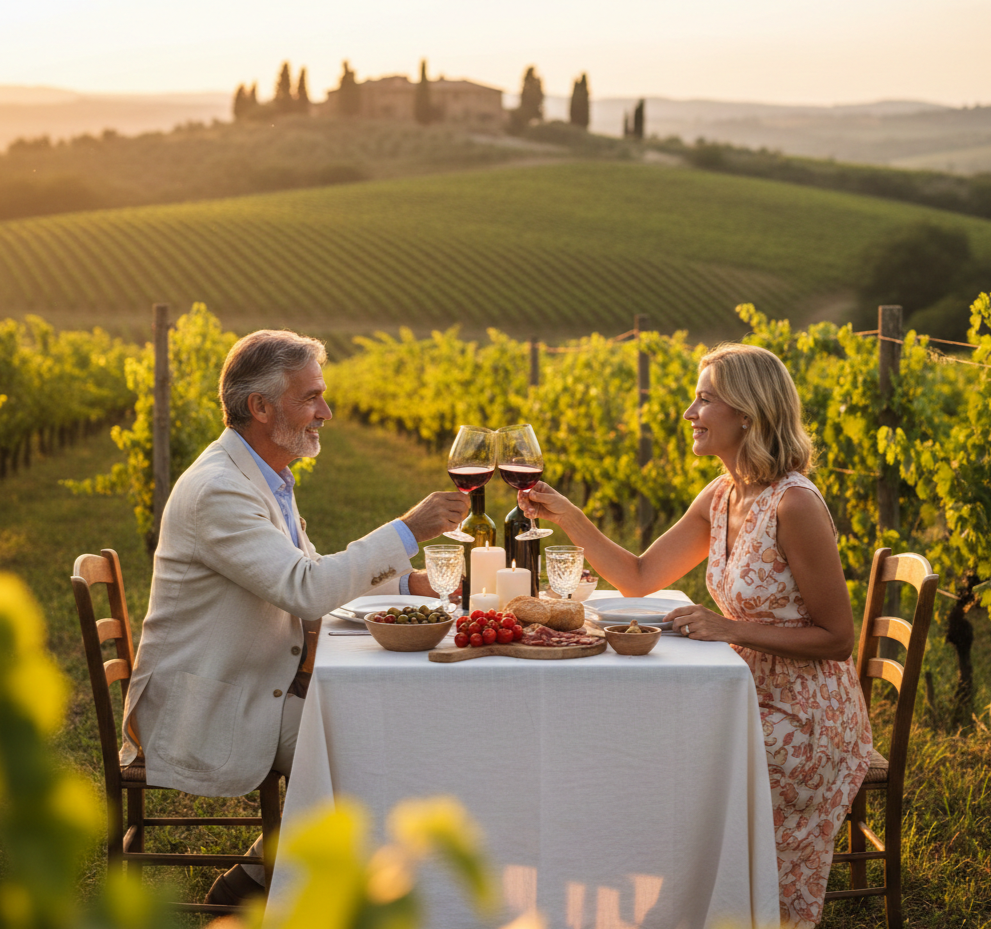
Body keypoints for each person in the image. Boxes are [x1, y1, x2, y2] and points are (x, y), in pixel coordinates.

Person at [520, 343, 872, 928]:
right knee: (642, 753)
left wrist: (728, 628)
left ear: (747, 414)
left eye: (704, 399)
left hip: (806, 720)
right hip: (741, 694)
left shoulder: (794, 504)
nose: (689, 412)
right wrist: (568, 516)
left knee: (668, 775)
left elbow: (838, 639)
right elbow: (638, 577)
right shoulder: (722, 494)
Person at [118, 329, 468, 906]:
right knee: (372, 740)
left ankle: (276, 878)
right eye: (311, 398)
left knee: (383, 726)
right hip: (214, 700)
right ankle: (275, 884)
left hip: (257, 682)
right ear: (260, 406)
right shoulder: (219, 491)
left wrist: (414, 583)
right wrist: (409, 529)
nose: (325, 413)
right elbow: (306, 589)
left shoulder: (266, 475)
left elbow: (311, 570)